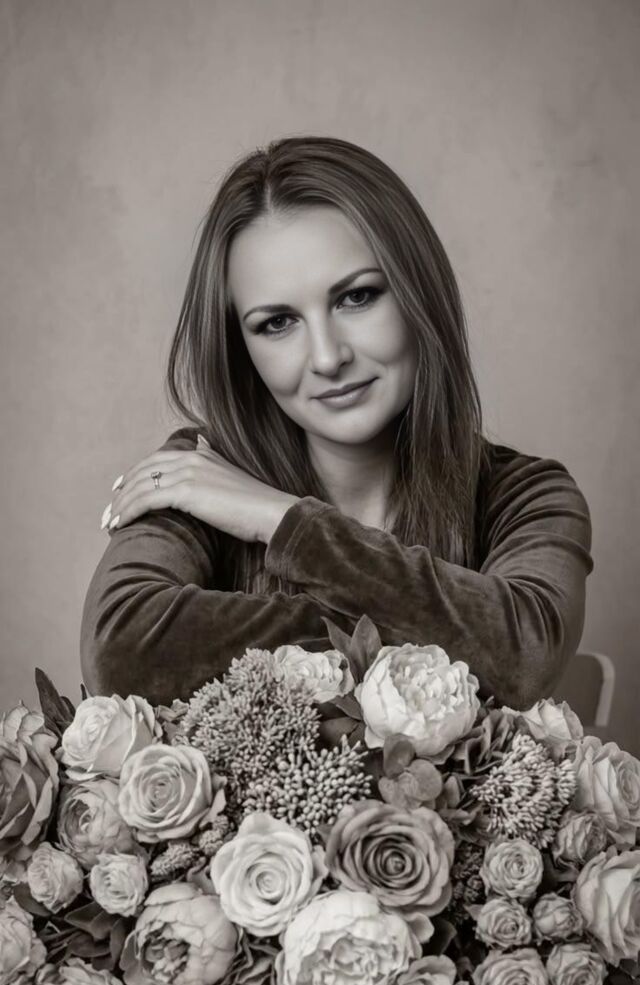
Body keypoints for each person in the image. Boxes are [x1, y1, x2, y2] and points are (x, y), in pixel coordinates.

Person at [80, 135, 593, 711]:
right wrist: (444, 628)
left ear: (419, 292)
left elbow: (523, 656)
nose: (327, 358)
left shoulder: (526, 496)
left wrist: (281, 520)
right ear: (240, 348)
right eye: (277, 323)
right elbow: (120, 652)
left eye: (357, 297)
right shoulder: (196, 474)